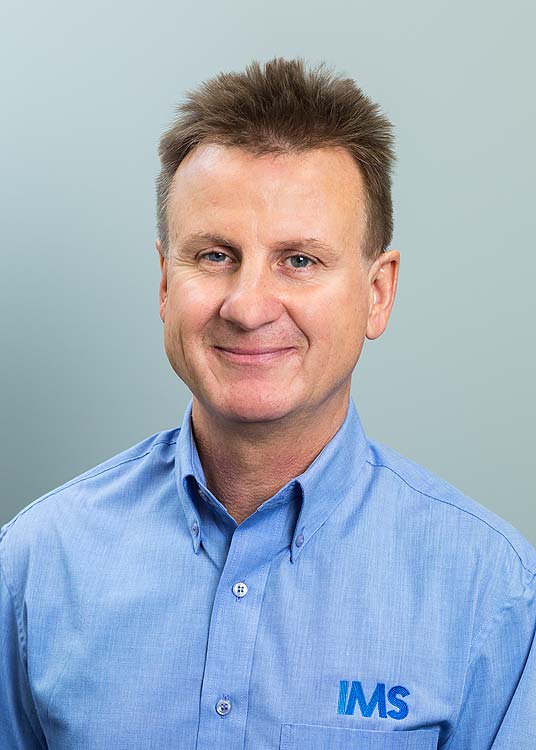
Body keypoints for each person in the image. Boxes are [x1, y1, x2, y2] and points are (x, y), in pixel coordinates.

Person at [1, 57, 535, 750]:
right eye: (215, 256)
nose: (248, 307)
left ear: (378, 293)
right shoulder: (36, 564)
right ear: (165, 284)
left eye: (299, 260)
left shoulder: (490, 589)